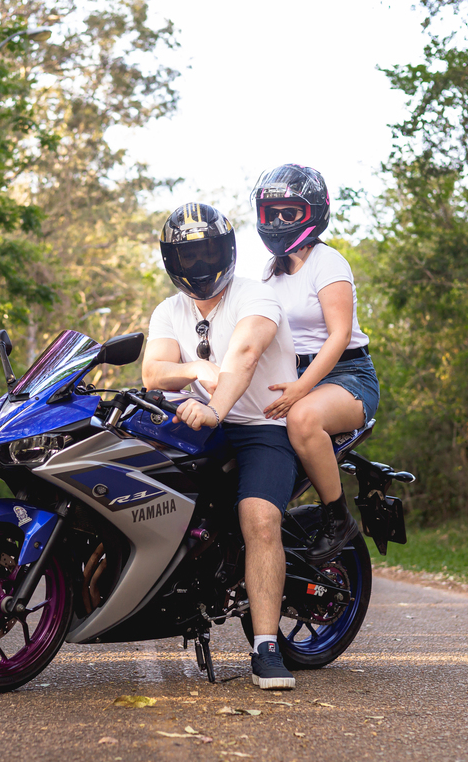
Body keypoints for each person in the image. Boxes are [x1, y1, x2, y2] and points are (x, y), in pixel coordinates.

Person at [142, 202, 300, 690]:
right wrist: (194, 372)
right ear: (172, 262)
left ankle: (267, 646)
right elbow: (154, 373)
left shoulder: (257, 296)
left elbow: (246, 354)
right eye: (187, 256)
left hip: (261, 426)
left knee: (259, 517)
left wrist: (216, 406)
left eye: (208, 251)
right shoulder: (170, 310)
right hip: (193, 425)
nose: (200, 265)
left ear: (229, 250)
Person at [251, 164, 380, 565]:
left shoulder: (328, 262)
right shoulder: (269, 276)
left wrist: (301, 389)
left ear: (312, 213)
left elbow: (339, 335)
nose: (277, 221)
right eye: (271, 213)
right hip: (293, 379)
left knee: (302, 419)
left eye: (288, 212)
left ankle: (338, 518)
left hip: (347, 376)